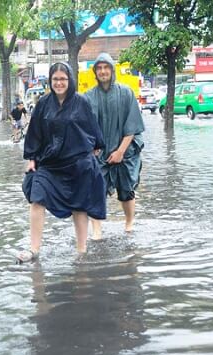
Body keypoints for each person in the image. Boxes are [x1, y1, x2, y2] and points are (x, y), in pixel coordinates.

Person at [18, 62, 106, 263]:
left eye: (63, 79)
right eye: (55, 79)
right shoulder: (43, 104)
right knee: (37, 197)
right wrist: (32, 159)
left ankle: (81, 250)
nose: (59, 83)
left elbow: (92, 128)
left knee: (80, 206)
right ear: (50, 80)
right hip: (49, 163)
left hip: (77, 162)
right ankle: (34, 249)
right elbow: (35, 133)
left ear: (70, 80)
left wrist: (96, 147)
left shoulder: (81, 102)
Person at [84, 53, 145, 237]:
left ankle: (129, 223)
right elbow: (83, 127)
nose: (103, 71)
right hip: (99, 154)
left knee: (127, 191)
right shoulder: (88, 97)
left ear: (112, 69)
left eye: (106, 67)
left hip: (125, 152)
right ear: (95, 72)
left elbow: (132, 126)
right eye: (99, 68)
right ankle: (96, 231)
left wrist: (120, 151)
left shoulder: (126, 93)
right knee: (95, 191)